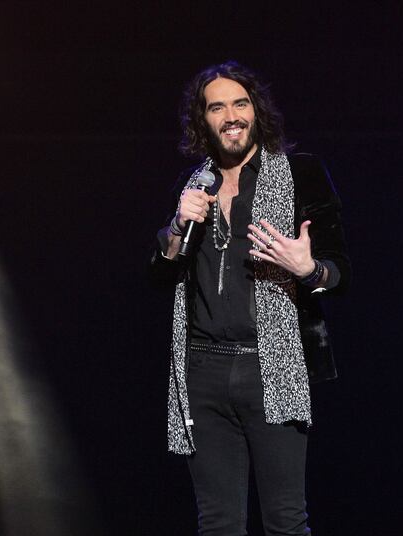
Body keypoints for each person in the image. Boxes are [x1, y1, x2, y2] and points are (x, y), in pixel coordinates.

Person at [149, 60, 350, 535]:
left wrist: (309, 269)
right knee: (218, 523)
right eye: (216, 107)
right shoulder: (193, 183)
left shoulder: (301, 173)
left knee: (285, 521)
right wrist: (177, 225)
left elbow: (341, 271)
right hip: (202, 370)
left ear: (256, 111)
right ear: (204, 120)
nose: (230, 115)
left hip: (272, 367)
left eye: (240, 103)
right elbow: (160, 275)